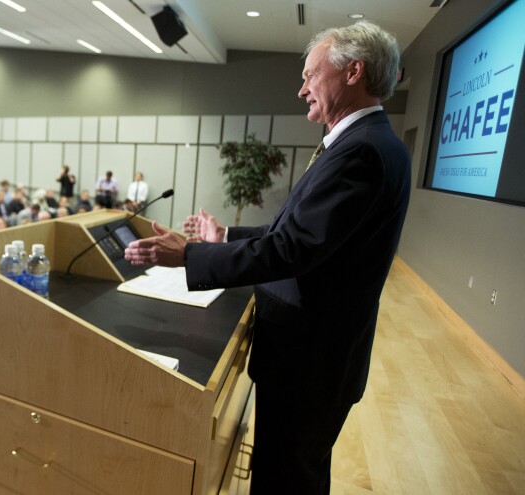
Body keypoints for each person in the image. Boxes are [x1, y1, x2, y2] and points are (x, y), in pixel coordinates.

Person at [124, 21, 410, 494]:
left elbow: (293, 249)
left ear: (354, 71)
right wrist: (226, 234)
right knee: (294, 474)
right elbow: (299, 232)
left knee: (286, 480)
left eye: (311, 76)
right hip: (314, 359)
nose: (302, 90)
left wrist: (190, 256)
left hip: (310, 363)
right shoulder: (366, 143)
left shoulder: (363, 151)